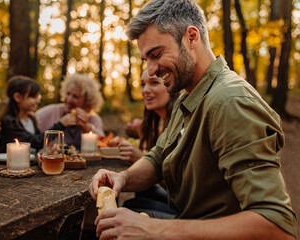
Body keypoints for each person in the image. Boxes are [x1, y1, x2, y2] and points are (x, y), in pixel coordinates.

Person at [89, 0, 297, 239]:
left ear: (191, 37)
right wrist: (122, 178)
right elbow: (158, 159)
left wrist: (154, 229)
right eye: (146, 59)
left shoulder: (230, 102)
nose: (151, 69)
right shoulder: (188, 96)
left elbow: (277, 225)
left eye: (156, 54)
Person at [119, 68, 179, 218]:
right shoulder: (159, 124)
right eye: (142, 84)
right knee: (138, 194)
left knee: (128, 209)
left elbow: (178, 186)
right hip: (176, 200)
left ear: (171, 86)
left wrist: (140, 158)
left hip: (189, 210)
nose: (145, 90)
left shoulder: (180, 124)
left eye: (154, 83)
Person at [0, 75, 65, 153]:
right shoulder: (10, 122)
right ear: (17, 97)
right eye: (33, 97)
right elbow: (37, 141)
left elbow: (38, 145)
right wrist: (61, 124)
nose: (37, 101)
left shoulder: (31, 119)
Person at [36, 74, 104, 150]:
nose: (69, 100)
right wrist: (61, 124)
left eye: (75, 97)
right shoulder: (49, 112)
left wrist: (87, 128)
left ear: (87, 101)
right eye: (68, 94)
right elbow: (33, 139)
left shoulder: (93, 119)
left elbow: (104, 144)